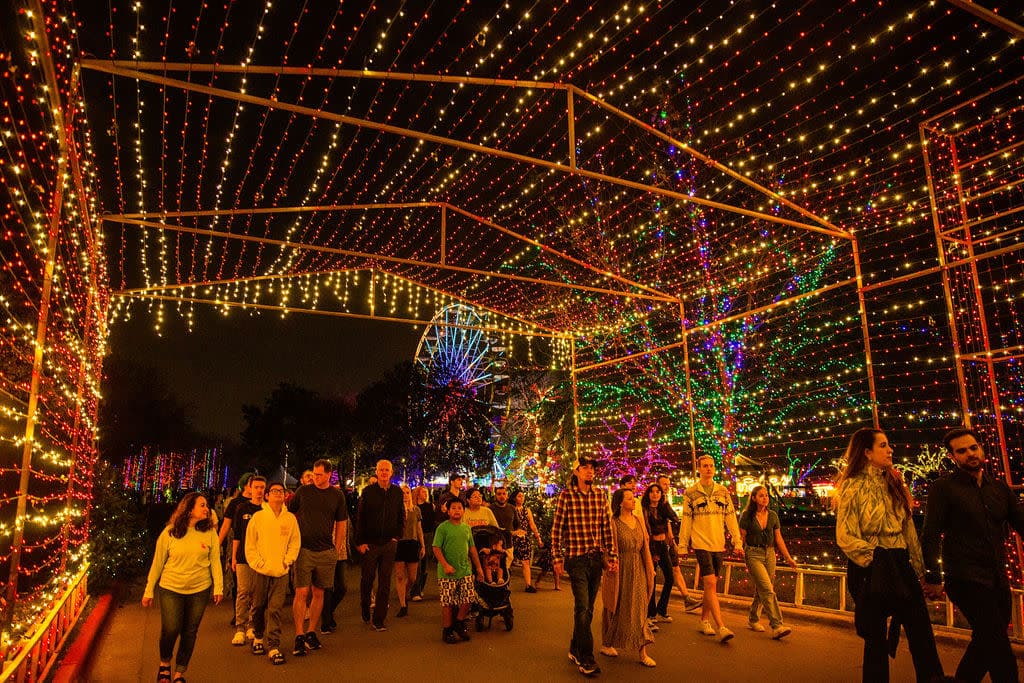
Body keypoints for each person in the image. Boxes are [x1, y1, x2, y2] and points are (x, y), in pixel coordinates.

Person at [835, 427, 944, 683]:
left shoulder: (895, 481)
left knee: (921, 633)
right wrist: (874, 556)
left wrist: (922, 571)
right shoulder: (852, 486)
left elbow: (909, 532)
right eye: (883, 445)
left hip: (899, 562)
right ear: (867, 452)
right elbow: (845, 535)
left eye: (889, 445)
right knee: (875, 639)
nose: (890, 449)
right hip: (871, 566)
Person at [921, 427, 1024, 683]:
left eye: (973, 448)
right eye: (962, 451)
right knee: (999, 648)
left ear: (981, 449)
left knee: (986, 640)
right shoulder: (943, 488)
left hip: (998, 579)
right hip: (965, 578)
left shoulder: (999, 489)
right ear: (953, 456)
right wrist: (933, 576)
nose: (970, 454)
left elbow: (1021, 523)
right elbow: (930, 534)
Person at [142, 492, 223, 683]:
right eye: (202, 505)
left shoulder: (209, 532)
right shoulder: (170, 532)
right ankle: (164, 664)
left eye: (207, 505)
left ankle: (179, 672)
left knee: (190, 631)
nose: (207, 509)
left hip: (199, 589)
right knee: (171, 629)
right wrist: (148, 590)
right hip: (171, 588)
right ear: (189, 509)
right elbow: (158, 563)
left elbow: (215, 561)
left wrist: (218, 587)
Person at [551, 457, 618, 677]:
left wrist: (612, 554)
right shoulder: (566, 496)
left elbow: (607, 527)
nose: (590, 472)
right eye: (585, 468)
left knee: (587, 608)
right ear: (577, 472)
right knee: (582, 606)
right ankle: (586, 658)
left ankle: (574, 646)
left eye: (592, 469)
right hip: (576, 559)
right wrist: (556, 557)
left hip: (595, 559)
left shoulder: (600, 495)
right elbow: (557, 529)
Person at [679, 455, 742, 643]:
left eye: (711, 466)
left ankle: (704, 620)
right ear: (699, 469)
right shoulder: (690, 493)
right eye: (705, 466)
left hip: (718, 543)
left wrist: (737, 541)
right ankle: (721, 626)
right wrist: (683, 545)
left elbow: (731, 517)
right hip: (701, 543)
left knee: (710, 585)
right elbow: (686, 520)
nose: (709, 468)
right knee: (711, 584)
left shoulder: (723, 492)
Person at [288, 459, 348, 656]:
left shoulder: (337, 495)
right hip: (304, 549)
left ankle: (311, 631)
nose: (315, 478)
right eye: (314, 474)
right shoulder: (303, 492)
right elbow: (290, 515)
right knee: (301, 592)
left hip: (325, 551)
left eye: (320, 475)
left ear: (329, 474)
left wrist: (336, 548)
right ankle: (299, 634)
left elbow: (341, 523)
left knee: (319, 593)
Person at [245, 481, 300, 666]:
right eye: (274, 491)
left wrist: (288, 560)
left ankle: (274, 645)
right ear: (267, 495)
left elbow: (295, 543)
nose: (278, 494)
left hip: (281, 571)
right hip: (261, 570)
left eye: (281, 491)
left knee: (276, 608)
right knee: (259, 605)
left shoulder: (290, 519)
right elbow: (250, 544)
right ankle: (258, 636)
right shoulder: (258, 518)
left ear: (285, 496)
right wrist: (257, 563)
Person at [600, 488, 656, 667]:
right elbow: (606, 548)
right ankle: (607, 642)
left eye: (634, 498)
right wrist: (608, 565)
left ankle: (642, 652)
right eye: (630, 498)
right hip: (619, 571)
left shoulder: (639, 520)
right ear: (620, 502)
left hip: (638, 569)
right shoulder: (613, 523)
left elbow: (645, 547)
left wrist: (650, 569)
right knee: (616, 608)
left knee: (639, 609)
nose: (634, 501)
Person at [738, 485, 796, 639]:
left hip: (769, 554)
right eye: (761, 495)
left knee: (763, 588)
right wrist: (736, 546)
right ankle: (777, 625)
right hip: (753, 554)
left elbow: (778, 539)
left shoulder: (773, 516)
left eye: (766, 495)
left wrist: (788, 558)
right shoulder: (746, 516)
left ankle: (753, 618)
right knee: (767, 588)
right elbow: (741, 537)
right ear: (754, 498)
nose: (765, 498)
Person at [355, 459, 405, 631]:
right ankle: (365, 605)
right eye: (381, 470)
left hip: (389, 544)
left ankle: (379, 619)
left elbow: (401, 516)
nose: (384, 473)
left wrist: (397, 537)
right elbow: (360, 518)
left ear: (391, 473)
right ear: (377, 472)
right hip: (370, 544)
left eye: (387, 470)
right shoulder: (368, 492)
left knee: (385, 582)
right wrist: (360, 542)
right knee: (367, 579)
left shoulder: (397, 493)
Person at [433, 497, 485, 644]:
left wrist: (479, 568)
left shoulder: (466, 528)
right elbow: (436, 548)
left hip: (465, 570)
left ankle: (459, 622)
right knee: (448, 603)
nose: (457, 510)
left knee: (468, 598)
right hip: (447, 573)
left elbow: (472, 549)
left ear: (464, 511)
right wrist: (445, 565)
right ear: (448, 511)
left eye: (459, 508)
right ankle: (447, 630)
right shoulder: (443, 528)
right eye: (453, 508)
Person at [656, 474, 701, 612]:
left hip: (668, 541)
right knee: (656, 575)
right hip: (658, 542)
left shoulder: (665, 500)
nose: (667, 487)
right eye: (664, 484)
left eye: (668, 484)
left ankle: (686, 598)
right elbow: (668, 520)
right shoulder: (656, 502)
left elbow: (669, 520)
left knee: (675, 569)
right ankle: (650, 609)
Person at [230, 475, 266, 646]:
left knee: (257, 594)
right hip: (243, 557)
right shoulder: (241, 508)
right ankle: (240, 628)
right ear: (250, 488)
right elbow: (237, 534)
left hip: (261, 558)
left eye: (262, 487)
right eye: (256, 487)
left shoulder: (266, 511)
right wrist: (234, 557)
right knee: (243, 592)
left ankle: (252, 625)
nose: (259, 490)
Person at [641, 483, 675, 625]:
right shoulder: (645, 510)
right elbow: (647, 531)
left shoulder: (663, 508)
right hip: (651, 546)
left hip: (663, 545)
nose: (655, 494)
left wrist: (666, 504)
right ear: (648, 494)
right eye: (652, 492)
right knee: (652, 580)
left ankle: (662, 609)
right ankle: (650, 614)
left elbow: (675, 518)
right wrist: (652, 551)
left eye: (658, 491)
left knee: (670, 578)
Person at [394, 485, 425, 617]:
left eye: (407, 492)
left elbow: (419, 529)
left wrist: (422, 545)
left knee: (412, 578)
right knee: (400, 576)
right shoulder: (395, 510)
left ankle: (405, 593)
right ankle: (403, 604)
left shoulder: (416, 510)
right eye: (403, 493)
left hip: (412, 543)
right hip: (399, 543)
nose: (405, 495)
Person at [511, 490, 543, 592]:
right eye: (519, 496)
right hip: (512, 537)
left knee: (525, 562)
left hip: (523, 538)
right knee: (508, 561)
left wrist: (538, 537)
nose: (522, 498)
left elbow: (532, 524)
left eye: (523, 496)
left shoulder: (526, 510)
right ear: (514, 498)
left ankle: (528, 584)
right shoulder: (511, 509)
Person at [409, 486, 435, 601]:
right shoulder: (414, 507)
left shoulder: (430, 506)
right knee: (417, 564)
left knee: (424, 565)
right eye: (423, 492)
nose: (426, 494)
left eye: (426, 492)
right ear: (418, 494)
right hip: (417, 535)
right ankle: (415, 590)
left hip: (428, 535)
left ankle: (420, 588)